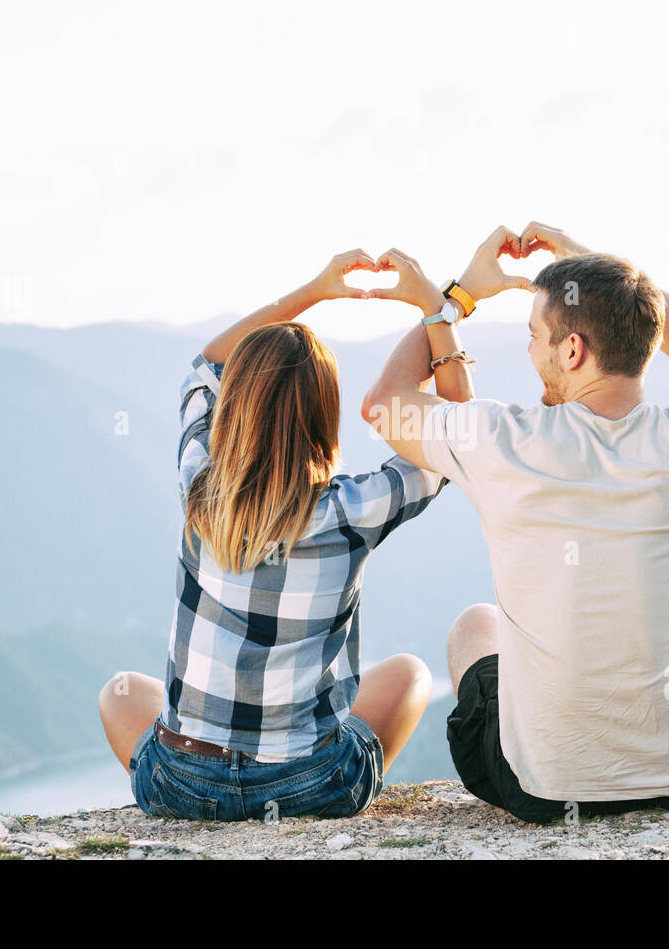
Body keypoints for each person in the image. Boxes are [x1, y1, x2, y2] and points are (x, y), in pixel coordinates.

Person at [362, 222, 669, 823]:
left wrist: (454, 299)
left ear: (572, 351)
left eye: (535, 335)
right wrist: (608, 275)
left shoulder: (503, 441)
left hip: (540, 790)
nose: (531, 350)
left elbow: (383, 401)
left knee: (474, 628)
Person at [98, 248, 473, 821]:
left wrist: (312, 293)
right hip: (311, 784)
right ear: (324, 415)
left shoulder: (199, 484)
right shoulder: (353, 510)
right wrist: (438, 308)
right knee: (410, 675)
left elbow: (204, 366)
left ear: (237, 409)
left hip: (181, 783)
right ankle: (317, 789)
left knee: (120, 691)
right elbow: (457, 431)